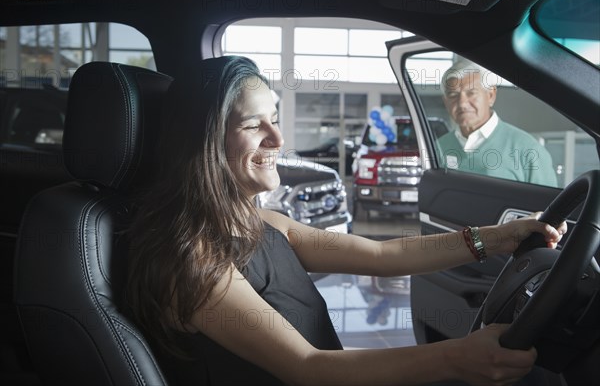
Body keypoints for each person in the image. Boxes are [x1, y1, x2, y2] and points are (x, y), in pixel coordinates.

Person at [126, 56, 566, 386]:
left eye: (275, 119)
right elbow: (307, 368)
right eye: (252, 125)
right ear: (206, 141)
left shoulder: (264, 223)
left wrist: (498, 237)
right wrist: (455, 358)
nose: (278, 138)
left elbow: (381, 254)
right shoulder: (193, 258)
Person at [436, 59, 558, 187]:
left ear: (490, 95)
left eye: (471, 93)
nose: (462, 103)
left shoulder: (528, 150)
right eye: (453, 95)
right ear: (445, 101)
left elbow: (548, 205)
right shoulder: (437, 148)